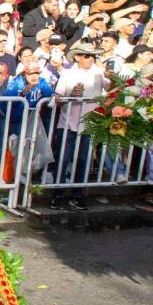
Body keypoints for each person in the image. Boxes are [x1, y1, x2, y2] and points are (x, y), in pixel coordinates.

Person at [50, 43, 107, 210]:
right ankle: (57, 195)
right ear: (77, 57)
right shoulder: (67, 74)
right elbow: (57, 98)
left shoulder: (99, 73)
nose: (90, 59)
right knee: (63, 159)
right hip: (68, 124)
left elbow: (112, 87)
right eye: (87, 55)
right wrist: (70, 96)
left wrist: (111, 75)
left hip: (89, 124)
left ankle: (78, 195)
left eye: (92, 56)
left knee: (83, 161)